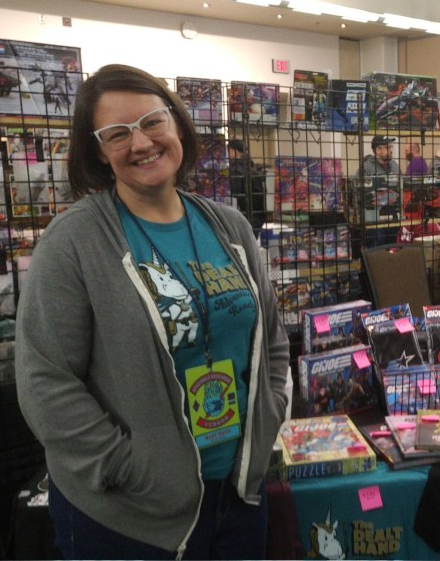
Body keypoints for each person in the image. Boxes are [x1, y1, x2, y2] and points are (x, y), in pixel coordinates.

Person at [15, 64, 290, 560]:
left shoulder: (229, 227)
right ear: (99, 151)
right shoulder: (74, 241)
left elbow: (270, 339)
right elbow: (44, 380)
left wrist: (268, 415)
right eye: (117, 133)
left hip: (238, 491)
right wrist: (127, 467)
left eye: (151, 122)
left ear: (177, 123)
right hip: (131, 516)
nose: (140, 143)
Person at [355, 135, 402, 246]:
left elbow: (401, 186)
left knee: (393, 249)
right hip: (374, 219)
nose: (391, 150)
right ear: (377, 150)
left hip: (393, 217)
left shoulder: (395, 166)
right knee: (376, 249)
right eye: (387, 147)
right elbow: (358, 191)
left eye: (391, 147)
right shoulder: (366, 167)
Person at [227, 138, 266, 230]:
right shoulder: (254, 171)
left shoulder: (235, 171)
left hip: (242, 218)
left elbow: (235, 197)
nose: (227, 154)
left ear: (235, 152)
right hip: (258, 216)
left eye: (228, 151)